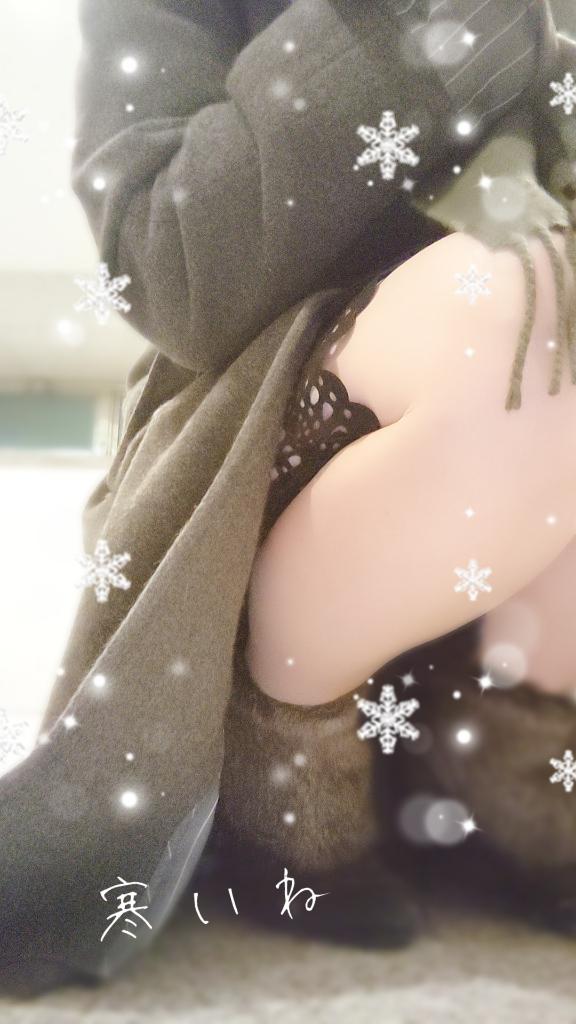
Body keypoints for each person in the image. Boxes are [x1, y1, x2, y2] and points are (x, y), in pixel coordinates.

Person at [3, 0, 576, 995]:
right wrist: (404, 27)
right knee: (520, 298)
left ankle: (512, 744)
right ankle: (287, 759)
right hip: (269, 404)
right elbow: (175, 276)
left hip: (504, 502)